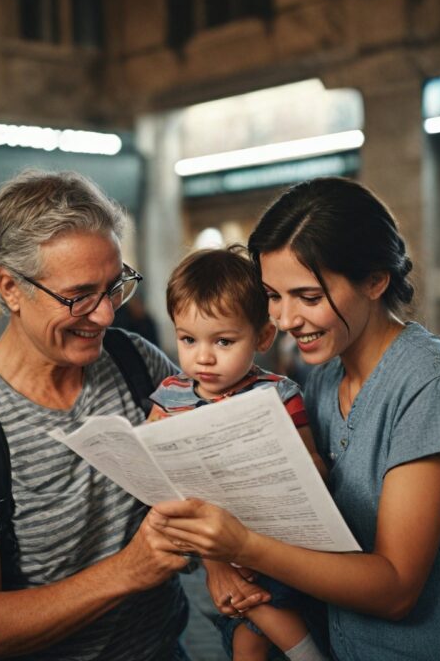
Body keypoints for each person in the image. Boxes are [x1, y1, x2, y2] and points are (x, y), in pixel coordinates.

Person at [149, 177, 440, 660]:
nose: (284, 319)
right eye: (273, 296)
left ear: (375, 280)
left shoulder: (431, 383)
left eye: (308, 296)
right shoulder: (319, 379)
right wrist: (220, 561)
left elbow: (396, 590)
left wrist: (244, 545)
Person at [0, 169, 190, 661]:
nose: (105, 315)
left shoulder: (136, 362)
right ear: (10, 287)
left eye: (115, 286)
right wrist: (130, 570)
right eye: (78, 296)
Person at [147, 246, 328, 661]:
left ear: (263, 337)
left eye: (224, 341)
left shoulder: (277, 394)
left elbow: (312, 466)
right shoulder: (170, 395)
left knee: (261, 611)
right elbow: (151, 456)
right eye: (188, 339)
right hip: (211, 536)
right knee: (246, 630)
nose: (203, 357)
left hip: (273, 536)